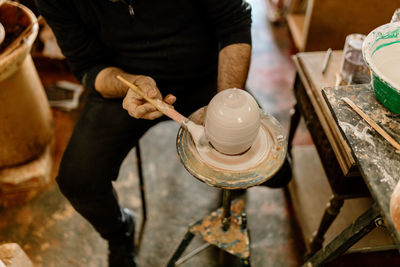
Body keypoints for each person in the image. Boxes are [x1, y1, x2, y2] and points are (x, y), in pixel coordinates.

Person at [35, 0, 253, 266]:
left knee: (274, 170)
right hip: (128, 85)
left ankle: (232, 196)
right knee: (79, 180)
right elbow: (88, 67)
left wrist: (224, 102)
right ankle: (120, 233)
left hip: (207, 77)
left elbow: (235, 24)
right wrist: (133, 84)